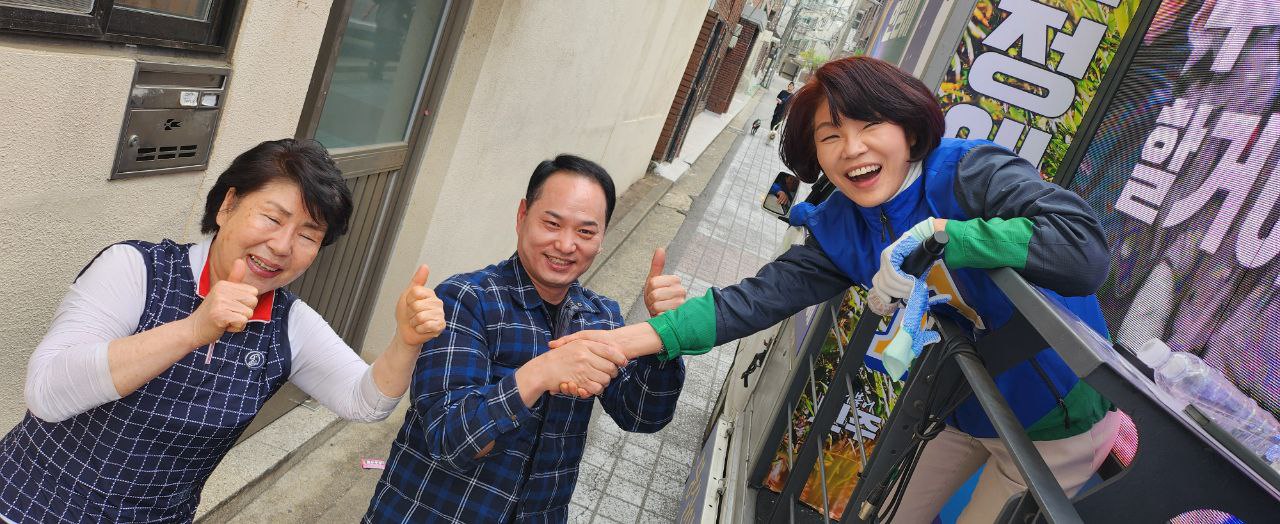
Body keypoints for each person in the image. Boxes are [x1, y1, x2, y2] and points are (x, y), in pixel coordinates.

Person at [553, 57, 1122, 522]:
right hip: (960, 407)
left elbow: (1083, 250)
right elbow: (753, 300)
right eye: (831, 135)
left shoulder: (968, 172)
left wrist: (945, 236)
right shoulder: (842, 226)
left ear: (909, 128)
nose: (851, 148)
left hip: (1058, 424)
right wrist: (625, 341)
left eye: (869, 125)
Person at [0, 138, 446, 523]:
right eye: (272, 218)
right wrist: (193, 329)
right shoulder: (137, 269)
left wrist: (405, 342)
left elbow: (364, 401)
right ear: (228, 206)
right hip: (31, 506)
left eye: (308, 235)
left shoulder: (289, 322)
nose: (282, 245)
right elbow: (46, 392)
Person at [363, 154, 688, 523]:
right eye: (552, 223)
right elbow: (448, 441)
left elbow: (641, 416)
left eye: (585, 232)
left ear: (601, 238)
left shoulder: (601, 317)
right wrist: (539, 374)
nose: (566, 245)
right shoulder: (466, 300)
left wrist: (665, 334)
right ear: (522, 216)